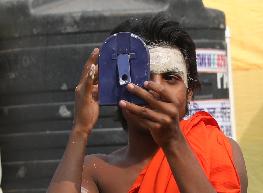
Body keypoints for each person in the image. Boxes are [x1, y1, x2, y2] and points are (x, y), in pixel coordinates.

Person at [47, 14, 248, 193]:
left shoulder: (220, 149)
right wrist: (80, 129)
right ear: (117, 90)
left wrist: (172, 143)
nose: (155, 88)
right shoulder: (96, 170)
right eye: (142, 76)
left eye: (170, 77)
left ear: (189, 93)